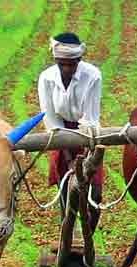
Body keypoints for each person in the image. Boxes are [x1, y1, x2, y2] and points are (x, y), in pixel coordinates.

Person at [37, 32, 104, 232]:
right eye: (62, 64)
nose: (67, 68)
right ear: (56, 60)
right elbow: (50, 117)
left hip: (87, 133)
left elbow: (90, 117)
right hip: (60, 134)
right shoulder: (47, 78)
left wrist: (85, 158)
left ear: (79, 60)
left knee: (95, 193)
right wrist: (67, 156)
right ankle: (67, 233)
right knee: (66, 189)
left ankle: (88, 236)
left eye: (72, 64)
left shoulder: (92, 75)